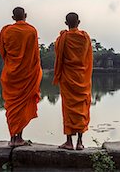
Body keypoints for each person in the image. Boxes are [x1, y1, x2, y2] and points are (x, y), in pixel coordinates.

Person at [0, 7, 43, 147]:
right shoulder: (32, 31)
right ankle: (19, 137)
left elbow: (3, 51)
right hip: (27, 74)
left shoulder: (6, 31)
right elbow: (35, 55)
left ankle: (13, 137)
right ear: (25, 15)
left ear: (13, 17)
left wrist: (12, 63)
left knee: (12, 106)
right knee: (22, 106)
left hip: (11, 74)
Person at [53, 12, 93, 150]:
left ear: (66, 23)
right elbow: (88, 56)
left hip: (68, 77)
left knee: (68, 109)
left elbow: (58, 54)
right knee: (81, 108)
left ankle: (69, 141)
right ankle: (80, 142)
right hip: (82, 77)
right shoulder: (85, 37)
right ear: (79, 22)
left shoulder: (62, 38)